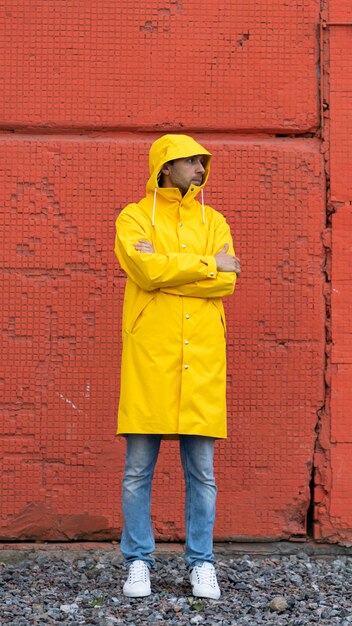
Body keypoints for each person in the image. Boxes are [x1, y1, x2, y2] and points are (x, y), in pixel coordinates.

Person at [114, 134, 240, 600]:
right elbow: (145, 272)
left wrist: (175, 272)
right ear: (165, 167)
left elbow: (226, 283)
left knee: (203, 473)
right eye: (190, 161)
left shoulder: (215, 219)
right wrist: (208, 264)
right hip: (152, 357)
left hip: (202, 358)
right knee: (138, 470)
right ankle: (138, 562)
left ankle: (202, 563)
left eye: (202, 161)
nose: (199, 168)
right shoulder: (133, 217)